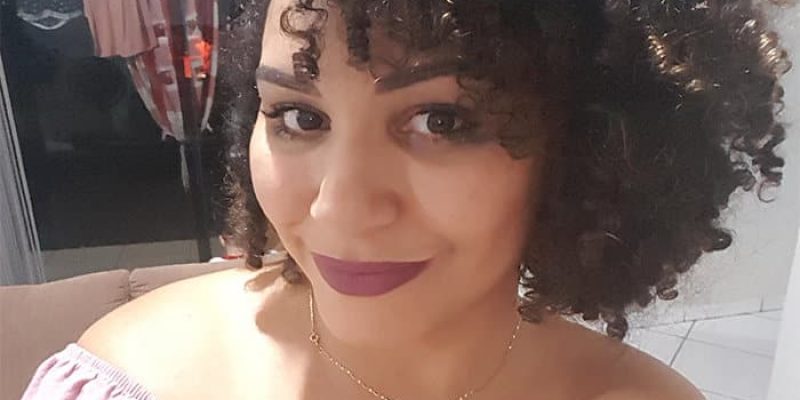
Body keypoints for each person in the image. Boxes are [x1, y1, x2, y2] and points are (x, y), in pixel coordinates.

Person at [22, 0, 792, 399]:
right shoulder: (130, 380)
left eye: (442, 121)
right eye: (299, 117)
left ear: (587, 139)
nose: (338, 209)